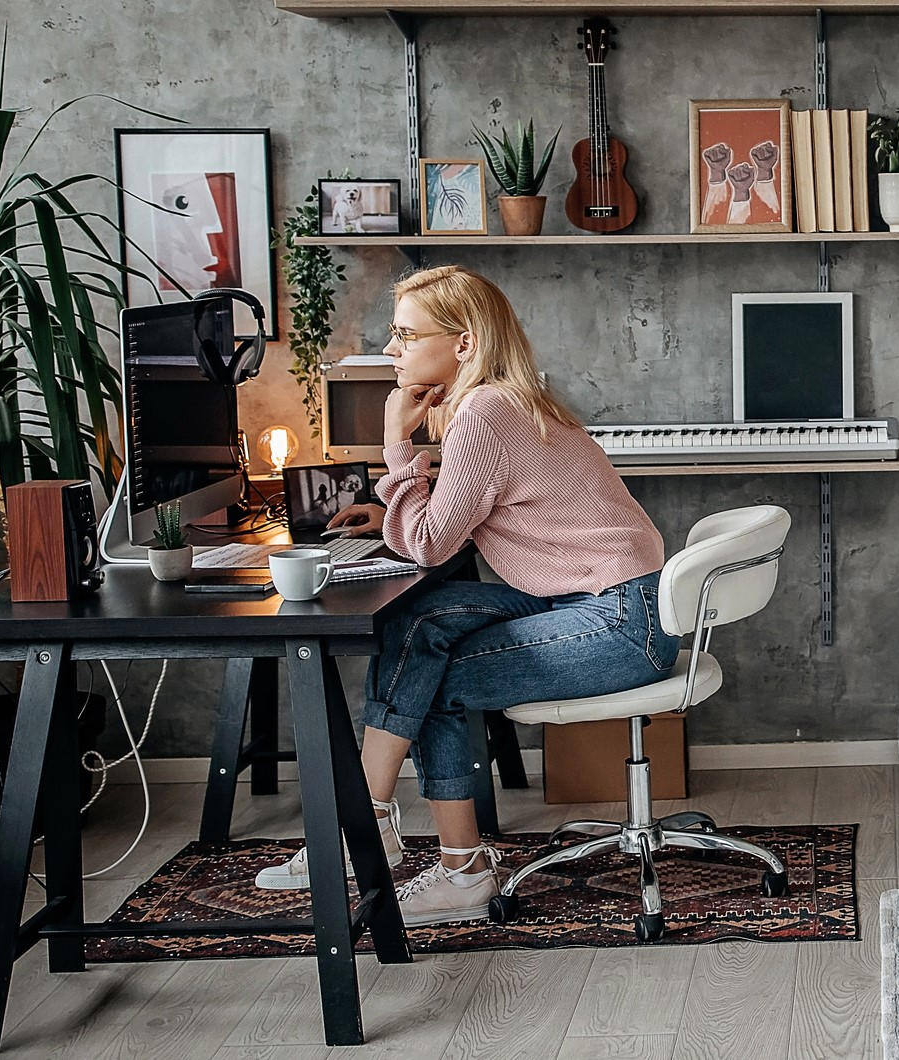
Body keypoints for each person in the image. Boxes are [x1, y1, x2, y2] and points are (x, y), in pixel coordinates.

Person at [258, 265, 678, 926]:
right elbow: (454, 527)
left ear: (462, 343)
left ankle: (429, 856)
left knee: (432, 673)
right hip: (599, 604)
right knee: (419, 624)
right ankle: (377, 829)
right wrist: (389, 508)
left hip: (618, 623)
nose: (391, 350)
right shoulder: (503, 399)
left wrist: (395, 440)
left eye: (404, 335)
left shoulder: (484, 412)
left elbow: (426, 545)